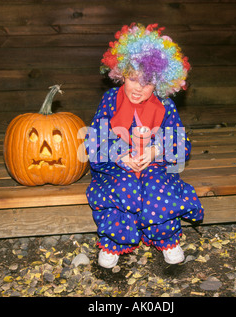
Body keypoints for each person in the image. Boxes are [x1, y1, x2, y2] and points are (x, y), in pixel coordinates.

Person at [84, 23, 204, 268]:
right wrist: (120, 156)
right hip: (116, 166)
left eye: (147, 83)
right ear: (121, 73)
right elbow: (95, 137)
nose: (138, 88)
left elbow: (181, 142)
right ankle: (113, 243)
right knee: (123, 186)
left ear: (160, 83)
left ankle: (167, 240)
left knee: (158, 188)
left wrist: (155, 150)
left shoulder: (165, 106)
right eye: (133, 79)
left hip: (156, 164)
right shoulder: (110, 101)